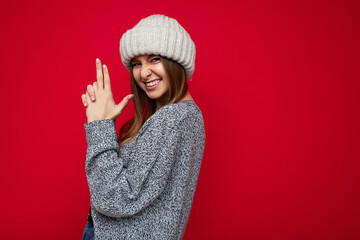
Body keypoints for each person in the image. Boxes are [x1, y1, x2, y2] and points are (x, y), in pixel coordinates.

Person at [80, 14, 205, 240]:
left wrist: (99, 126)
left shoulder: (172, 119)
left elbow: (115, 198)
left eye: (154, 59)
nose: (144, 72)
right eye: (137, 63)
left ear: (176, 61)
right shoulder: (187, 116)